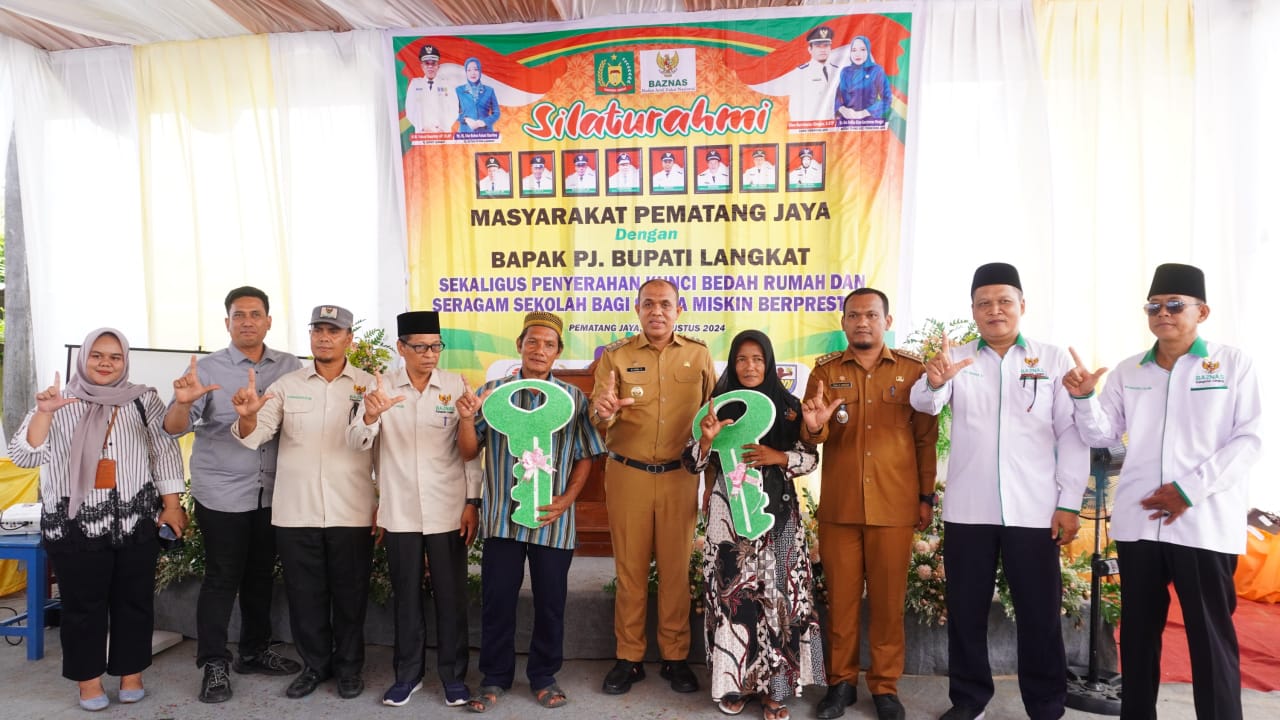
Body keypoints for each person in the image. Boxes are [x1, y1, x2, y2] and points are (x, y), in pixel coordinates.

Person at [1063, 263, 1261, 720]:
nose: (1163, 313)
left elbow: (1249, 440)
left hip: (1202, 525)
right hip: (1140, 524)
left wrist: (1187, 491)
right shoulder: (1132, 369)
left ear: (1202, 311)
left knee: (1209, 638)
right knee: (1137, 636)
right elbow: (1102, 436)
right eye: (1154, 306)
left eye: (1175, 305)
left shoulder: (1231, 364)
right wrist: (1083, 398)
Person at [908, 263, 1088, 720]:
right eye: (984, 303)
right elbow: (923, 404)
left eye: (1004, 301)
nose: (995, 310)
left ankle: (1046, 705)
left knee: (1039, 616)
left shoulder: (1052, 360)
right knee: (966, 614)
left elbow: (1071, 435)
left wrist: (1069, 503)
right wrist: (934, 380)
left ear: (1022, 305)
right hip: (970, 510)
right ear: (972, 310)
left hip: (1033, 510)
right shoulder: (958, 359)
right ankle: (969, 701)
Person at [9, 329, 186, 711]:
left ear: (125, 361)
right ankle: (88, 681)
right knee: (82, 604)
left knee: (134, 601)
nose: (106, 363)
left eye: (115, 357)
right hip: (75, 524)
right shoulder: (58, 401)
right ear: (84, 358)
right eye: (98, 356)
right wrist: (43, 413)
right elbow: (25, 455)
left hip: (135, 520)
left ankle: (131, 674)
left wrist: (172, 505)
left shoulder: (143, 399)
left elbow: (164, 452)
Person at [455, 312, 607, 713]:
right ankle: (494, 678)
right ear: (519, 346)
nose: (540, 350)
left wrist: (567, 500)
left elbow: (587, 456)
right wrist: (468, 418)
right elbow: (469, 451)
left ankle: (544, 677)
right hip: (503, 518)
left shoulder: (574, 400)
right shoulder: (492, 393)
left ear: (558, 352)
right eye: (533, 342)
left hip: (552, 522)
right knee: (498, 600)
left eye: (549, 344)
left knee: (551, 601)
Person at [801, 289, 938, 720]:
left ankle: (884, 687)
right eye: (854, 315)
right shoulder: (823, 373)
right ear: (843, 323)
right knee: (840, 601)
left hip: (894, 508)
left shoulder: (914, 371)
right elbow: (811, 438)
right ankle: (840, 684)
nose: (863, 322)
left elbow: (925, 439)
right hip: (841, 508)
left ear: (887, 320)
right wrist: (814, 428)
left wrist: (925, 496)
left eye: (872, 315)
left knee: (887, 602)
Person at [163, 286, 303, 703]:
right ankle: (213, 663)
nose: (247, 321)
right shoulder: (207, 369)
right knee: (223, 578)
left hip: (274, 490)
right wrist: (185, 403)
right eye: (238, 315)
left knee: (261, 575)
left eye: (255, 314)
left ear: (268, 321)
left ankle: (254, 651)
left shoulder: (291, 367)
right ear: (227, 323)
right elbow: (173, 429)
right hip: (222, 490)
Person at [231, 305, 377, 701]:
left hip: (351, 509)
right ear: (310, 335)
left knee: (350, 596)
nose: (324, 337)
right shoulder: (285, 384)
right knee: (304, 598)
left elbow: (372, 446)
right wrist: (246, 416)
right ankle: (315, 667)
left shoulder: (369, 386)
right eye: (318, 330)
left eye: (334, 331)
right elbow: (256, 434)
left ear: (349, 338)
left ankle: (348, 669)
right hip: (296, 511)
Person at [686, 330, 825, 720]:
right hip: (728, 518)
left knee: (779, 598)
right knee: (734, 598)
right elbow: (691, 462)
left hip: (778, 517)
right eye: (742, 359)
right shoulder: (716, 405)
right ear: (732, 363)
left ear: (769, 363)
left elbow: (809, 461)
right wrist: (707, 440)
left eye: (758, 359)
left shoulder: (789, 407)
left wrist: (776, 455)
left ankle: (775, 690)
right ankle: (735, 685)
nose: (749, 366)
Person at [346, 311, 482, 708]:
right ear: (401, 348)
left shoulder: (456, 385)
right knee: (405, 596)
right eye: (419, 347)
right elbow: (357, 443)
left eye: (435, 346)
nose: (429, 354)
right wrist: (371, 414)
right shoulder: (381, 386)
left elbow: (470, 455)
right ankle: (407, 675)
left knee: (451, 596)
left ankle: (454, 678)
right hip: (400, 509)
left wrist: (472, 502)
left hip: (447, 507)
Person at [592, 278, 716, 696]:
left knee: (676, 571)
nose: (657, 311)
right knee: (630, 572)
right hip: (628, 475)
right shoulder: (616, 357)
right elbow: (599, 416)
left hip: (680, 476)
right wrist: (605, 413)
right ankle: (628, 658)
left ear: (679, 310)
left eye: (665, 304)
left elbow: (715, 415)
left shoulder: (698, 355)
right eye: (649, 304)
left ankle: (675, 657)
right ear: (638, 309)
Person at [835, 36, 893, 123]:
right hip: (846, 123)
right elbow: (837, 96)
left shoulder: (876, 70)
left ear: (868, 51)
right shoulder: (845, 71)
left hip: (869, 122)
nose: (857, 54)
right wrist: (842, 109)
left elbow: (887, 99)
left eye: (862, 49)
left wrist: (864, 113)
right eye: (854, 50)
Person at [788, 25, 839, 122]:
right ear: (810, 49)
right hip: (812, 127)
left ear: (830, 48)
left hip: (834, 130)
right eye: (818, 46)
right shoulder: (800, 73)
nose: (823, 49)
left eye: (826, 45)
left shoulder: (837, 71)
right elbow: (795, 107)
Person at [404, 44, 455, 133]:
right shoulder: (415, 84)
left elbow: (454, 108)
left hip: (443, 133)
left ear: (438, 66)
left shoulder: (447, 84)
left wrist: (443, 127)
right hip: (423, 134)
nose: (430, 66)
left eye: (433, 63)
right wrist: (422, 127)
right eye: (427, 63)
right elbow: (410, 110)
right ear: (422, 66)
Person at [456, 57, 499, 133]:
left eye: (476, 69)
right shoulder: (459, 90)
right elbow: (452, 112)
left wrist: (484, 122)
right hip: (466, 133)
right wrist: (466, 119)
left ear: (480, 71)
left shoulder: (489, 90)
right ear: (466, 72)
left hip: (485, 133)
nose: (473, 73)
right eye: (469, 70)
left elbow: (496, 112)